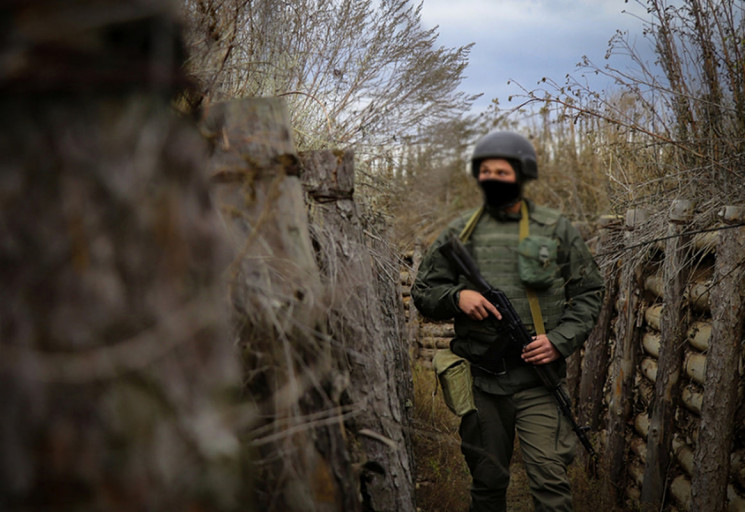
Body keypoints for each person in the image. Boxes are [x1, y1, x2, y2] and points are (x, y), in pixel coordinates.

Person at [412, 130, 604, 512]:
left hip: (538, 382)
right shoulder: (460, 232)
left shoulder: (554, 228)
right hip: (481, 382)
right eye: (486, 171)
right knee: (487, 482)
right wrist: (457, 297)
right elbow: (424, 292)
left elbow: (588, 292)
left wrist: (559, 340)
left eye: (502, 171)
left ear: (522, 174)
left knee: (551, 483)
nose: (493, 178)